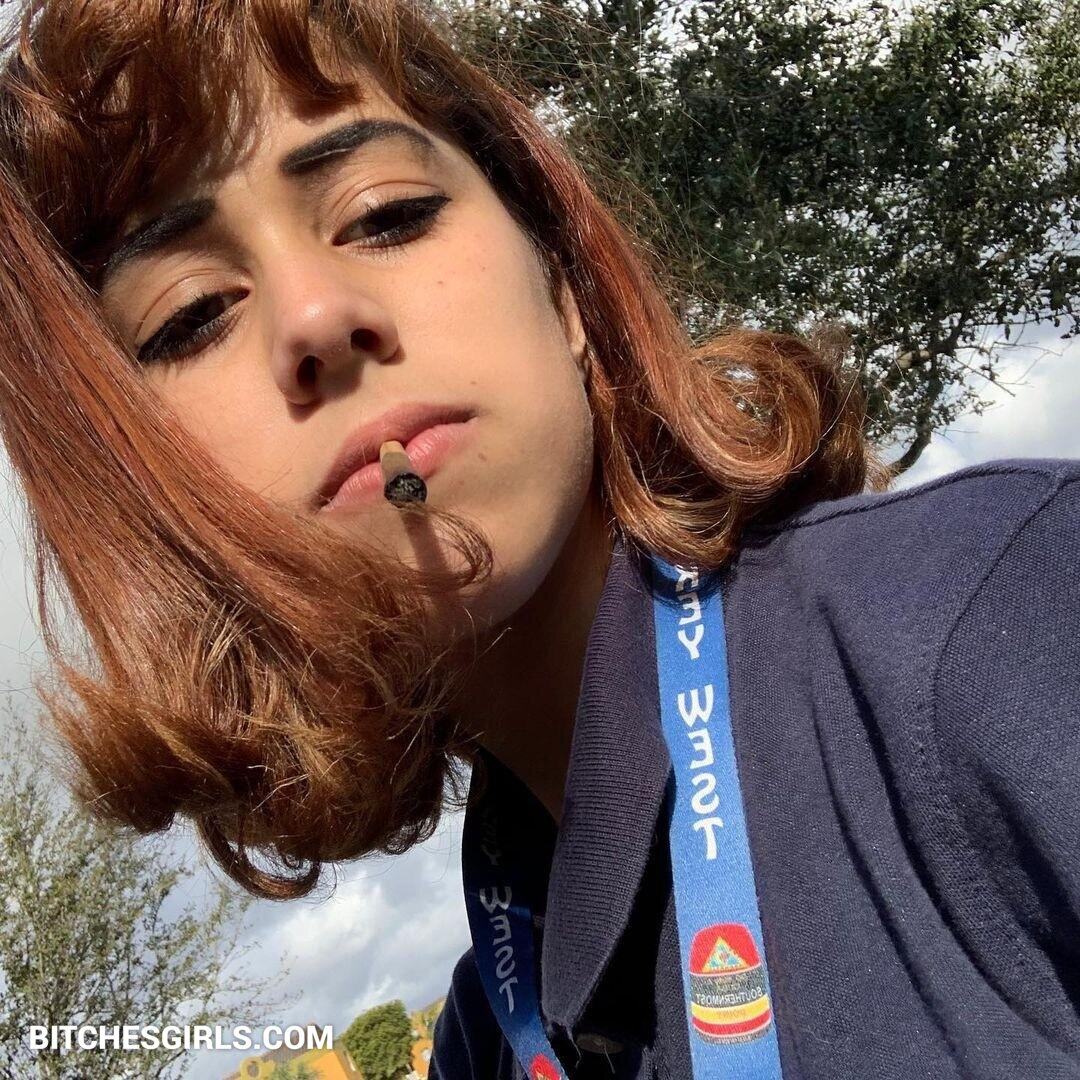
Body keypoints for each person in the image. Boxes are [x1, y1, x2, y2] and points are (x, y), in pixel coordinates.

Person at [0, 2, 1075, 1078]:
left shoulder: (1002, 609)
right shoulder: (490, 1038)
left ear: (560, 283)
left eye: (385, 213)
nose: (319, 319)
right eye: (191, 313)